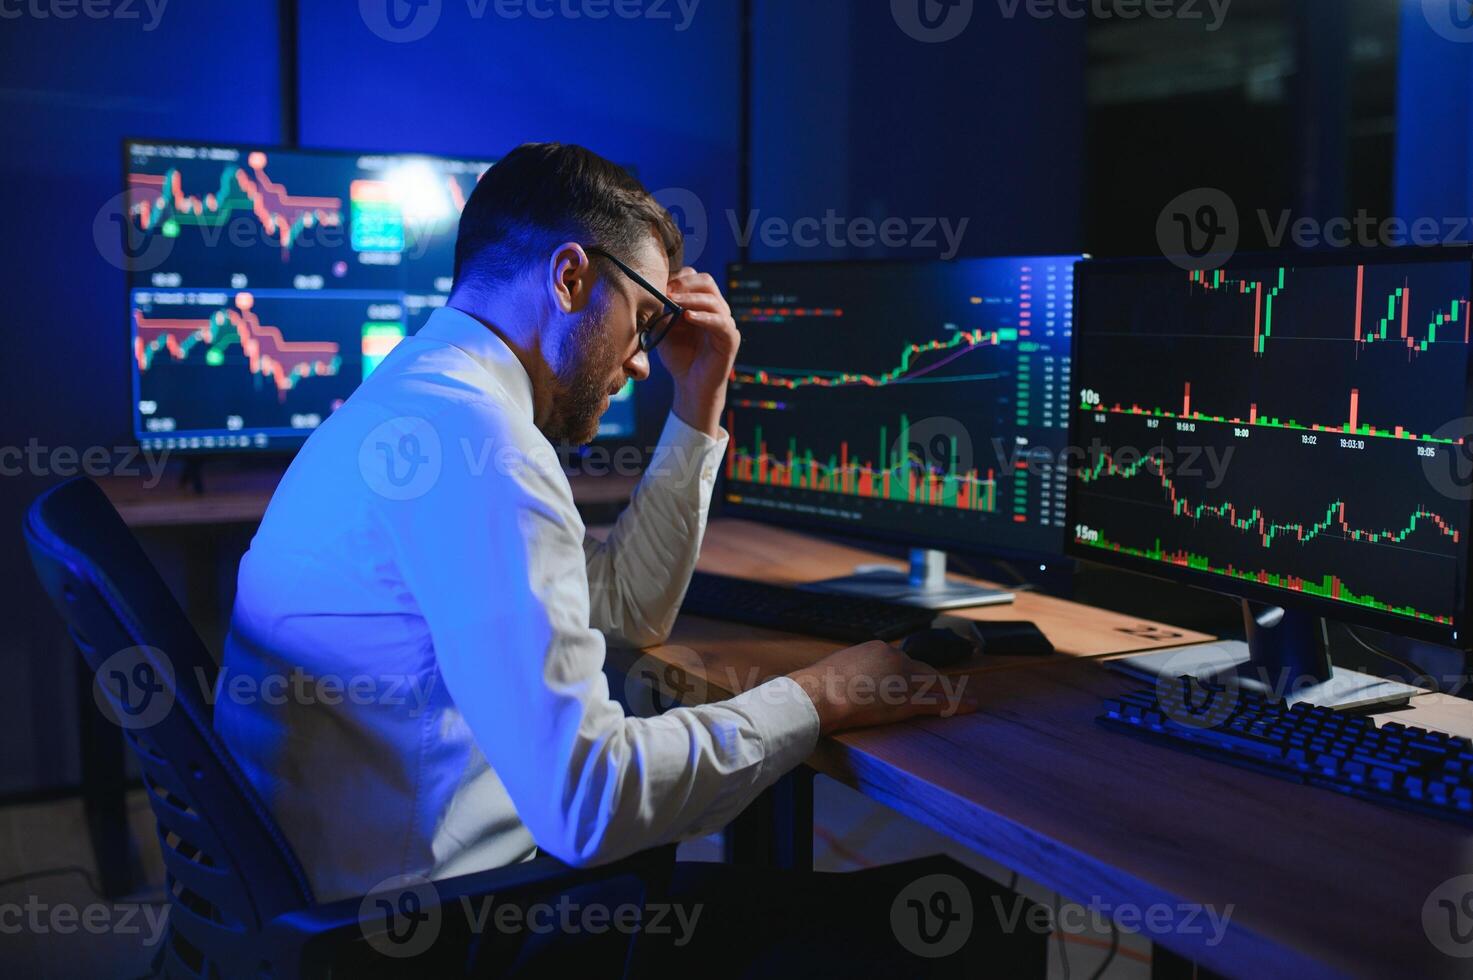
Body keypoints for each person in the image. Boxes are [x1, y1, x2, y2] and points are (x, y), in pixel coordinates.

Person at [215, 143, 980, 949]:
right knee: (955, 923)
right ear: (570, 278)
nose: (644, 362)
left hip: (329, 914)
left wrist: (700, 400)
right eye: (644, 320)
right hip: (429, 934)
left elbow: (620, 614)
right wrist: (821, 694)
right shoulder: (484, 447)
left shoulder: (422, 400)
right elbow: (591, 803)